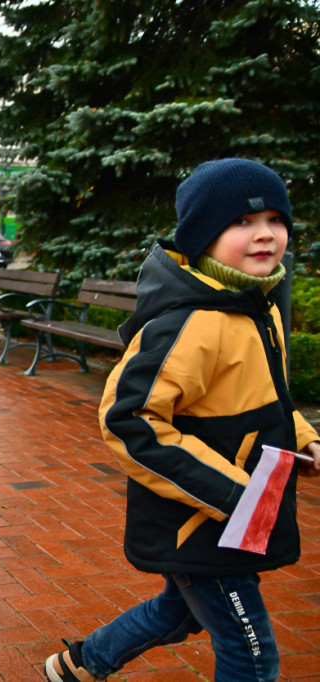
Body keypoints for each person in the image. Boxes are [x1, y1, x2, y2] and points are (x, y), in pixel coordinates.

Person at [45, 158, 320, 682]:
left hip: (240, 515)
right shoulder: (193, 323)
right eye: (241, 222)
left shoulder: (259, 308)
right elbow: (129, 421)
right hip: (205, 519)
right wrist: (234, 495)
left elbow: (272, 400)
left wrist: (305, 441)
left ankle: (81, 664)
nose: (264, 235)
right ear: (201, 235)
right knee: (252, 656)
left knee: (179, 611)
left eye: (276, 221)